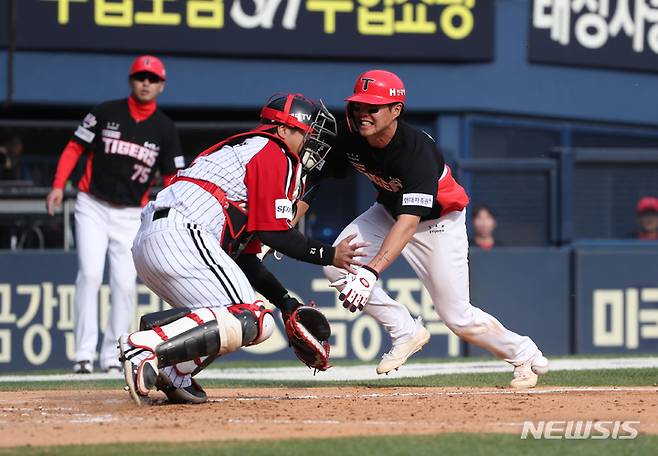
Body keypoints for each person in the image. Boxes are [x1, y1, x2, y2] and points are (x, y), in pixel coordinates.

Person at [298, 70, 549, 388]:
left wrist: (371, 272)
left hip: (437, 223)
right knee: (336, 266)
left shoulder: (417, 151)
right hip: (388, 212)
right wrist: (284, 224)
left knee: (457, 317)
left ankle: (524, 353)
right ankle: (405, 331)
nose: (363, 114)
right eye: (358, 106)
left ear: (395, 110)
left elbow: (409, 222)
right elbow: (315, 180)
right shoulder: (349, 134)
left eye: (373, 107)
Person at [119, 93, 366, 405]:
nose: (309, 141)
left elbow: (247, 258)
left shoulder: (249, 151)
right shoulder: (274, 151)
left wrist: (285, 302)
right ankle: (147, 345)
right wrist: (330, 255)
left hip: (156, 240)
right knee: (247, 316)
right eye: (305, 132)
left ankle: (174, 371)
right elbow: (275, 234)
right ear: (282, 130)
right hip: (181, 233)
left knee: (248, 321)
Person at [45, 55, 184, 374]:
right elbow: (74, 147)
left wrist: (173, 212)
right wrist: (57, 185)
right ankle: (83, 353)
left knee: (123, 283)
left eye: (152, 79)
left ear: (161, 86)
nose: (145, 83)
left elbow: (172, 179)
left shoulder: (165, 128)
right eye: (140, 77)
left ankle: (111, 354)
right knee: (90, 275)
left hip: (131, 214)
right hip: (92, 204)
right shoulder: (107, 112)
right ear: (131, 81)